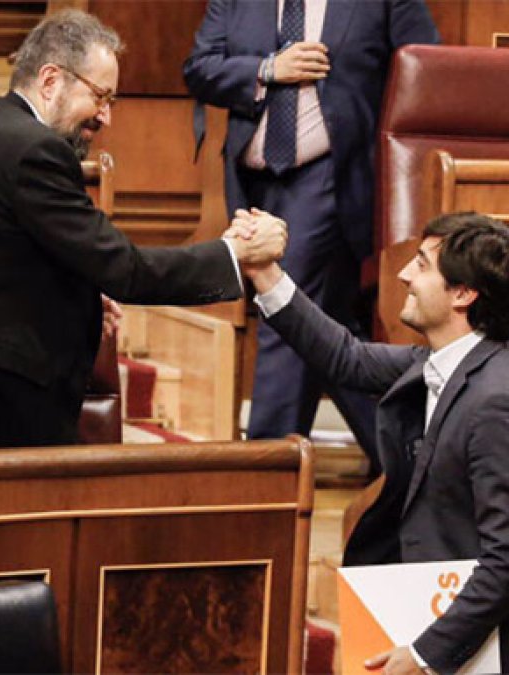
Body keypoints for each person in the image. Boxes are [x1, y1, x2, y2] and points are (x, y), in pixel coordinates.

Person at [0, 11, 287, 453]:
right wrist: (235, 253)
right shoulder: (33, 150)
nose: (106, 117)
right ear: (51, 80)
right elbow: (125, 269)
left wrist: (79, 296)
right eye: (100, 97)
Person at [236, 210, 509, 673]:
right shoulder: (444, 361)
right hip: (447, 621)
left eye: (421, 264)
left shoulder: (500, 403)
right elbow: (345, 358)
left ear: (463, 293)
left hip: (504, 653)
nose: (403, 274)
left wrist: (424, 655)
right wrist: (264, 273)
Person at [183, 0, 439, 472]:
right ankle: (412, 461)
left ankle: (262, 479)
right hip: (254, 181)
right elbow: (199, 69)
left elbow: (427, 66)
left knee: (284, 304)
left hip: (331, 178)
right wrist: (267, 69)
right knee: (327, 330)